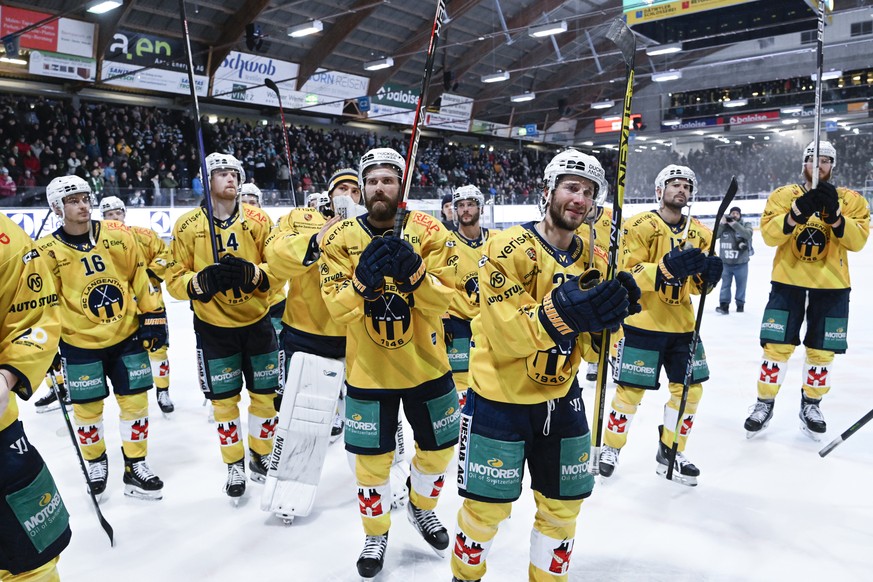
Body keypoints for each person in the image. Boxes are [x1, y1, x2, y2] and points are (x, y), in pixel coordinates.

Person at [451, 149, 640, 582]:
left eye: (589, 192)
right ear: (548, 191)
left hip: (562, 401)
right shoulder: (505, 247)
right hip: (499, 400)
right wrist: (571, 315)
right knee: (485, 510)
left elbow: (593, 352)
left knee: (563, 508)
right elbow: (507, 335)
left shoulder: (595, 260)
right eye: (572, 187)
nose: (580, 198)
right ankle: (465, 576)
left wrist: (613, 318)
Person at [319, 148, 459, 580]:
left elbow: (447, 299)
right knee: (372, 464)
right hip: (369, 373)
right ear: (362, 188)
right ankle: (375, 533)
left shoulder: (430, 230)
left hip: (428, 366)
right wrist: (361, 284)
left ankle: (421, 508)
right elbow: (335, 310)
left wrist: (416, 274)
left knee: (438, 451)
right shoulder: (339, 237)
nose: (381, 188)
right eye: (373, 181)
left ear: (402, 186)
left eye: (389, 180)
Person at [36, 176, 166, 501]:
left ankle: (135, 464)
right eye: (73, 201)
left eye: (85, 198)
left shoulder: (118, 234)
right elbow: (45, 303)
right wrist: (47, 346)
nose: (83, 205)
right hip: (79, 346)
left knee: (136, 405)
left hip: (126, 337)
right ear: (57, 207)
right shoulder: (46, 251)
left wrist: (152, 316)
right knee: (87, 411)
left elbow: (139, 273)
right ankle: (96, 462)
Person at [165, 153, 281, 502]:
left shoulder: (259, 220)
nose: (230, 178)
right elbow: (172, 279)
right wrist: (199, 282)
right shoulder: (186, 226)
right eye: (220, 173)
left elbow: (278, 271)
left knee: (265, 398)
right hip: (214, 329)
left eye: (234, 173)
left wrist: (258, 275)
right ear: (206, 180)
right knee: (224, 403)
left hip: (258, 324)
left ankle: (261, 453)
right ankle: (234, 463)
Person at [598, 164, 722, 487]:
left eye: (686, 186)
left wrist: (708, 278)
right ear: (659, 191)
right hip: (643, 324)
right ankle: (611, 449)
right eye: (674, 184)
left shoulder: (700, 233)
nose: (681, 190)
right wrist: (665, 268)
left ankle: (671, 451)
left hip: (683, 326)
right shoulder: (638, 225)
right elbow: (626, 274)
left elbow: (698, 288)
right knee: (629, 393)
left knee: (690, 392)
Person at [743, 141, 869, 440]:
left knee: (822, 353)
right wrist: (796, 213)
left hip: (833, 286)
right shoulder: (784, 196)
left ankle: (811, 405)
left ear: (833, 165)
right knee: (775, 348)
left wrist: (836, 218)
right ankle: (764, 403)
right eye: (813, 159)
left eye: (826, 160)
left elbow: (859, 240)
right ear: (804, 163)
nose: (819, 165)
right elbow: (771, 236)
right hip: (788, 283)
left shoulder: (851, 200)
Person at [0, 213, 72, 581]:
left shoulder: (7, 240)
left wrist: (10, 372)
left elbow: (35, 316)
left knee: (33, 563)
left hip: (1, 438)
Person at [265, 170, 350, 439]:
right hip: (305, 333)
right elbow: (275, 254)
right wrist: (313, 242)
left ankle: (372, 478)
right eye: (342, 188)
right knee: (296, 416)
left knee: (366, 420)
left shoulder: (370, 225)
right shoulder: (301, 218)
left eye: (356, 190)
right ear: (330, 194)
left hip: (355, 334)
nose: (349, 195)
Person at [99, 196, 175, 414]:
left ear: (124, 213)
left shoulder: (145, 234)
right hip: (120, 309)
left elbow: (165, 254)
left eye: (117, 213)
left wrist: (149, 274)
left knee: (158, 349)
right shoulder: (96, 242)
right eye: (109, 215)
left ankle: (163, 391)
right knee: (130, 352)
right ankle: (134, 395)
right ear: (102, 218)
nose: (115, 218)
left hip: (151, 304)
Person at [443, 185, 494, 407]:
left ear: (480, 208)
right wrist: (443, 317)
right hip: (458, 323)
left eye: (470, 205)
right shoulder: (445, 242)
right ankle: (465, 435)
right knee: (461, 384)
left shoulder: (496, 240)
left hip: (491, 323)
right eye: (460, 206)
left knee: (491, 379)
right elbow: (436, 281)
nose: (465, 210)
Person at [575, 189, 613, 381]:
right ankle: (593, 360)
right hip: (583, 280)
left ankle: (613, 356)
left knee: (614, 323)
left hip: (608, 277)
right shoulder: (573, 218)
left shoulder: (612, 216)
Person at [715, 206, 753, 314]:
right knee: (725, 285)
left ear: (740, 215)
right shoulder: (723, 226)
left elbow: (748, 234)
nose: (734, 215)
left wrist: (734, 224)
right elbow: (714, 236)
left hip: (741, 263)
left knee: (741, 285)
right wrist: (722, 224)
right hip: (725, 262)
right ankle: (724, 305)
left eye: (737, 213)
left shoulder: (746, 224)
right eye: (733, 213)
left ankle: (740, 305)